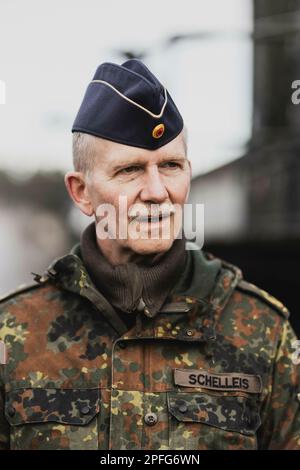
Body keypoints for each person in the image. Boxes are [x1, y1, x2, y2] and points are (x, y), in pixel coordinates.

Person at [0, 59, 299, 450]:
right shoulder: (13, 332)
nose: (158, 191)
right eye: (130, 170)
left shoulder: (264, 331)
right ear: (82, 193)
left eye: (171, 165)